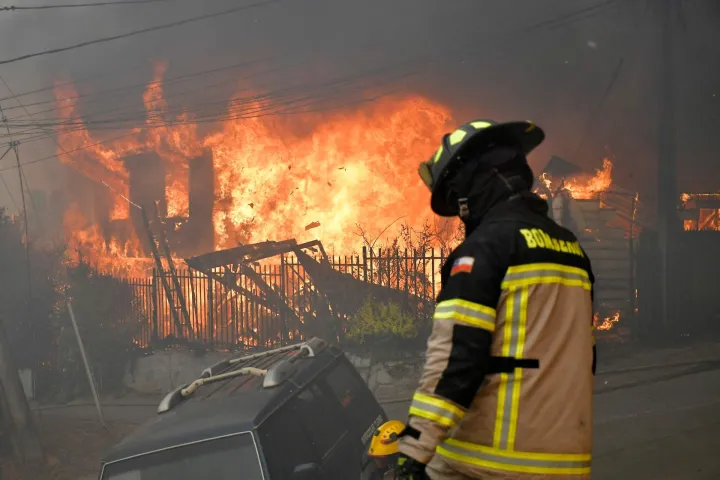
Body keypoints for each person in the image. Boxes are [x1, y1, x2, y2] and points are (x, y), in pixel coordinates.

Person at [395, 119, 597, 480]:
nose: (461, 211)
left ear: (473, 185)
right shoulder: (571, 250)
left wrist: (412, 451)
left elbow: (456, 360)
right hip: (569, 463)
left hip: (492, 462)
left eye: (458, 196)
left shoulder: (482, 251)